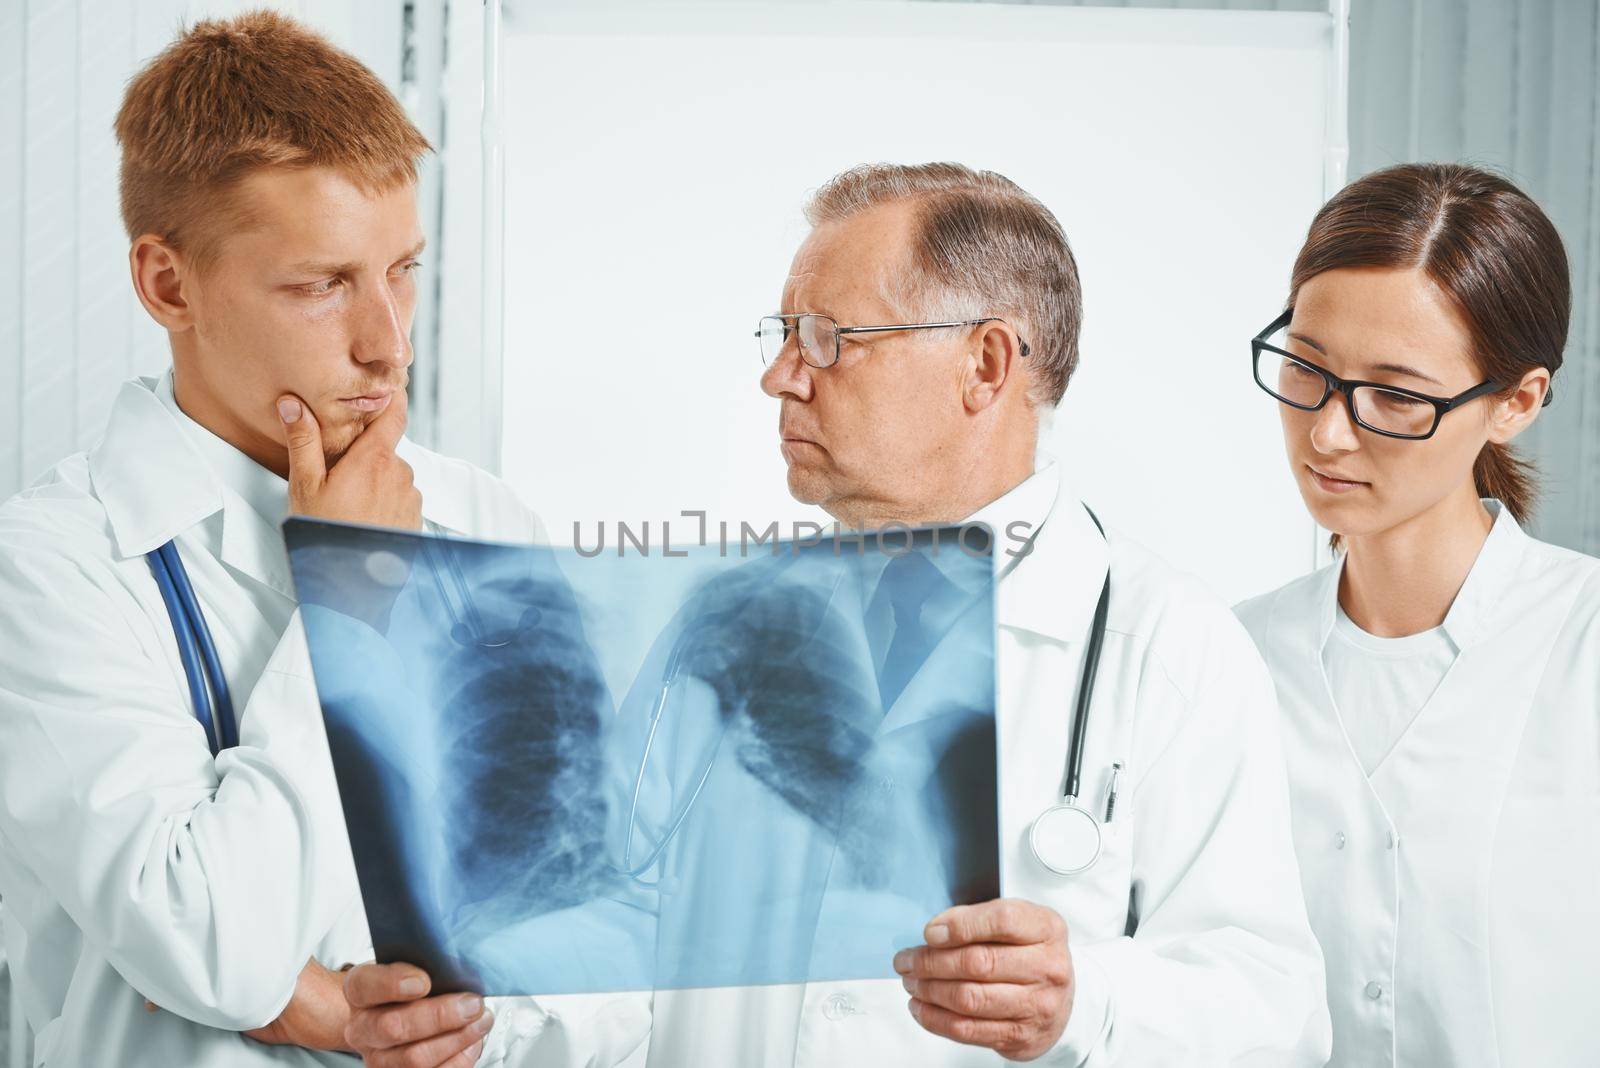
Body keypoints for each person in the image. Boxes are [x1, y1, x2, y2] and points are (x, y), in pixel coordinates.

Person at [347, 163, 1332, 1066]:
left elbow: (1273, 1011)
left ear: (986, 366)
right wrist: (489, 1014)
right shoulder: (731, 619)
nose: (780, 375)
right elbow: (642, 925)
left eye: (828, 338)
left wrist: (1082, 999)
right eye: (780, 338)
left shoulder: (1168, 647)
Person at [0, 12, 642, 1066]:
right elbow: (218, 945)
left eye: (403, 270)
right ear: (169, 284)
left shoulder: (485, 522)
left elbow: (597, 936)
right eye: (322, 284)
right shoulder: (53, 565)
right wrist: (351, 593)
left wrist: (445, 1025)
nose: (387, 344)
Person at [1234, 162, 1599, 1067]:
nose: (1327, 433)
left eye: (1395, 396)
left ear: (1516, 402)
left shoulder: (1583, 642)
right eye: (1308, 370)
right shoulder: (1227, 657)